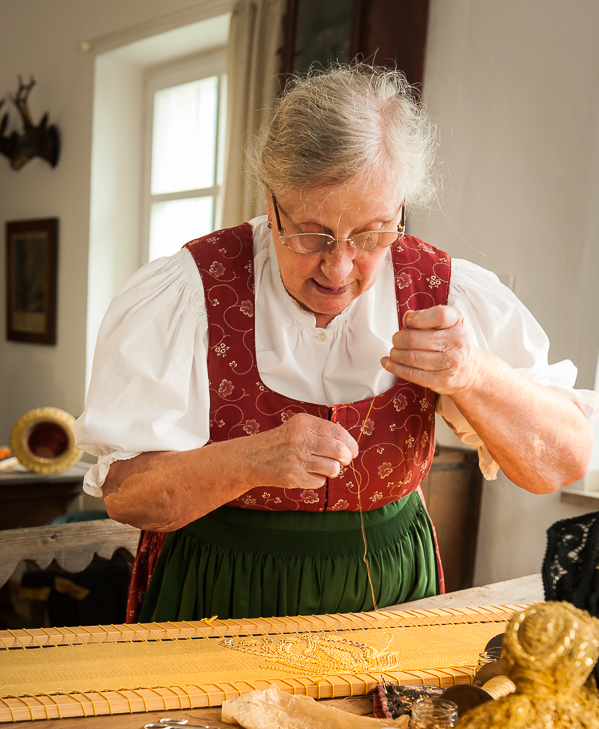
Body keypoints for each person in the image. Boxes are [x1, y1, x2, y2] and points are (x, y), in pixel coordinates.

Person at [75, 65, 597, 625]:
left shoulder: (445, 291)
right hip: (221, 590)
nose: (339, 266)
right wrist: (252, 458)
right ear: (272, 200)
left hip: (393, 595)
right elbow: (127, 498)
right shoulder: (188, 291)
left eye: (371, 234)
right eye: (311, 234)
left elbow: (563, 462)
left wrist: (476, 374)